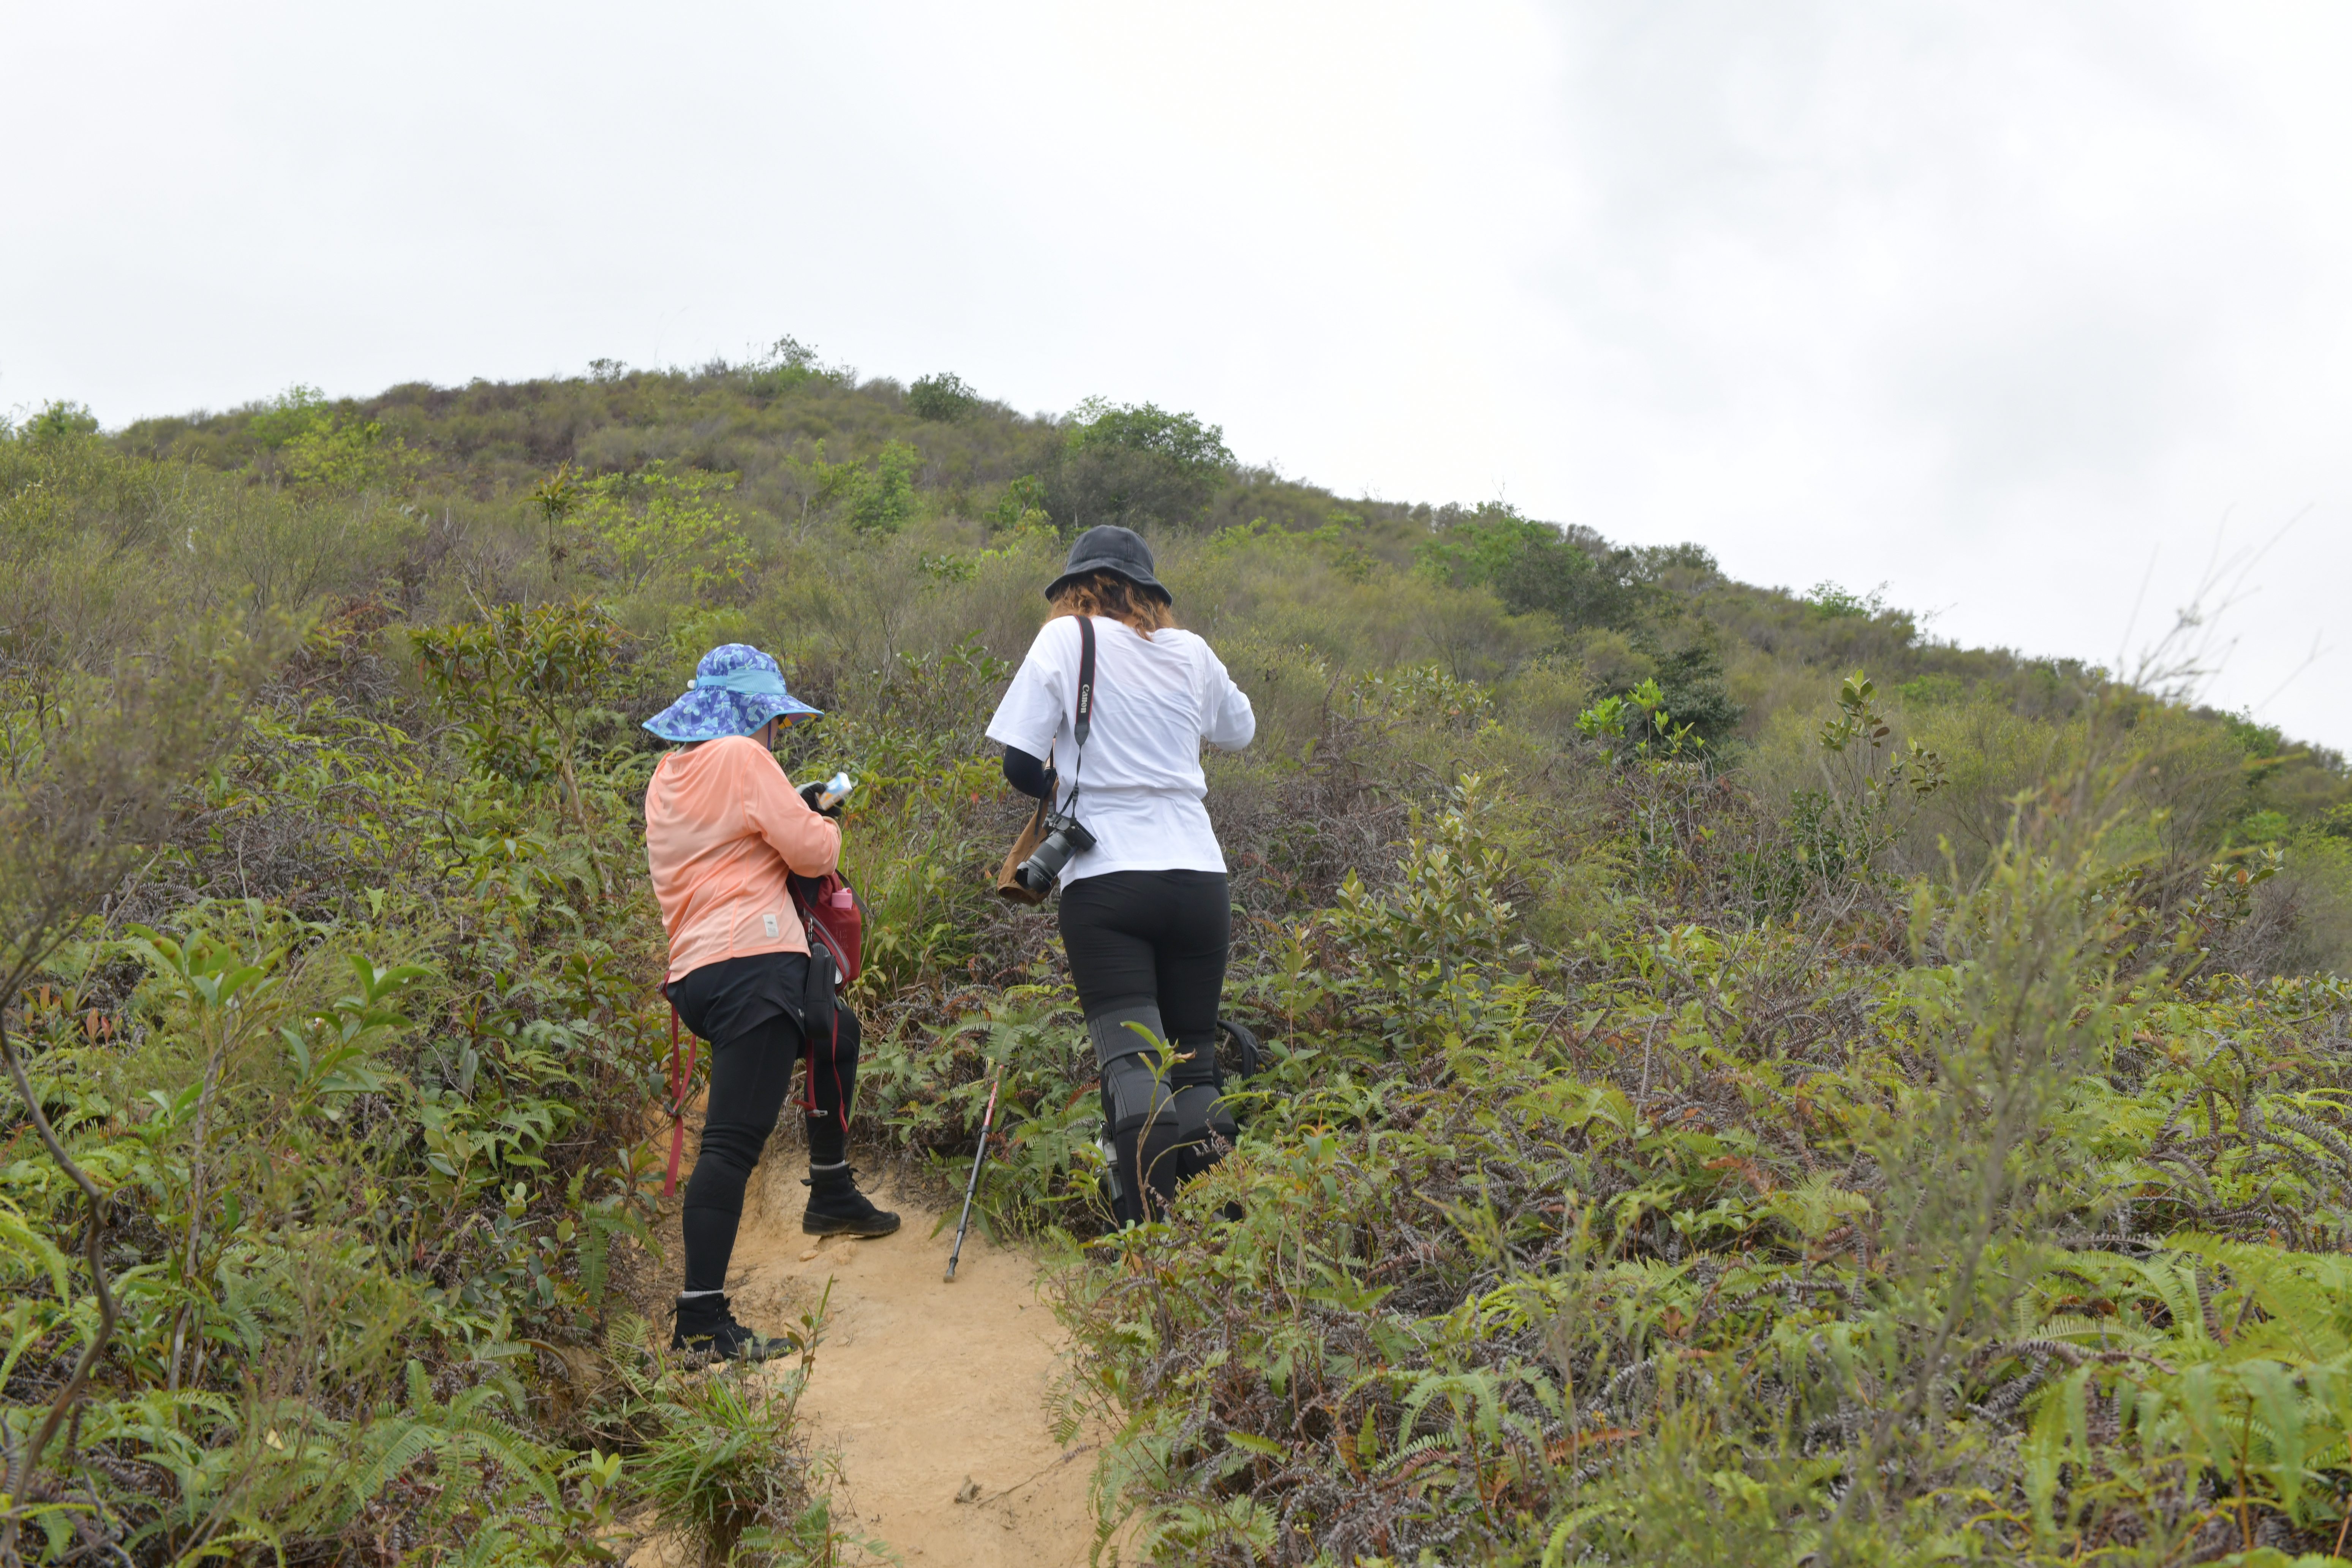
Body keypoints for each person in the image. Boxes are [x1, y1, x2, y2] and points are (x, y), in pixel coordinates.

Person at [985, 526, 1256, 1223]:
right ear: (1149, 594)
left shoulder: (1067, 639)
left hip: (1108, 880)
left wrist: (1065, 781)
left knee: (1135, 1072)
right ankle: (1226, 1243)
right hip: (1199, 878)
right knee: (1194, 1071)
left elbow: (1018, 763)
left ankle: (1149, 1248)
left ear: (1076, 588)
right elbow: (1240, 731)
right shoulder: (1190, 650)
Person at [643, 644, 899, 1360]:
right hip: (753, 962)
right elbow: (814, 853)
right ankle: (702, 1322)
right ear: (750, 712)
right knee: (730, 1145)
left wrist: (791, 807)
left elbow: (731, 842)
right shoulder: (742, 757)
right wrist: (823, 818)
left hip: (699, 974)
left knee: (836, 1032)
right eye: (775, 721)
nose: (776, 734)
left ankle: (831, 1190)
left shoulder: (668, 776)